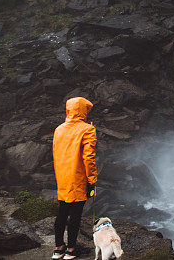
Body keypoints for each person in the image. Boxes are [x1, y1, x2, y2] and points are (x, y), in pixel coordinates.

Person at [52, 97, 97, 260]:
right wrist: (91, 180)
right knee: (76, 214)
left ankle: (58, 248)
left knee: (62, 211)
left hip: (62, 176)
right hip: (78, 176)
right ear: (82, 111)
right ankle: (71, 249)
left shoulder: (59, 129)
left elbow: (56, 154)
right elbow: (88, 158)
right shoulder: (87, 129)